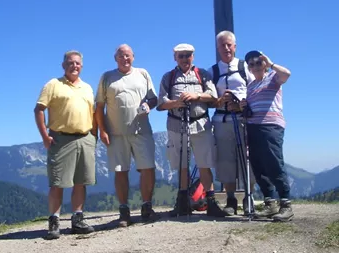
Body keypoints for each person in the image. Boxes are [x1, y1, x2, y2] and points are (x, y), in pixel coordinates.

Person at [157, 43, 226, 217]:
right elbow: (160, 104)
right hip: (176, 125)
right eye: (181, 56)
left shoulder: (202, 74)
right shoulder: (168, 77)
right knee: (182, 165)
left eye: (188, 55)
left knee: (205, 163)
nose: (185, 59)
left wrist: (196, 96)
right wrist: (176, 103)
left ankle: (210, 202)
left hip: (201, 124)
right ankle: (182, 202)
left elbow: (213, 96)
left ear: (193, 57)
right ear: (175, 58)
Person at [34, 50, 97, 240]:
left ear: (82, 66)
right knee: (58, 183)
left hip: (85, 138)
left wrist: (94, 135)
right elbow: (39, 109)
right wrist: (45, 136)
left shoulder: (87, 87)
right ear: (64, 65)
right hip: (60, 139)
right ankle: (54, 222)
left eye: (77, 63)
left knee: (81, 181)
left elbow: (93, 113)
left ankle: (78, 220)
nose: (74, 66)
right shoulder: (53, 84)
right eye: (70, 63)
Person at [95, 44, 158, 227]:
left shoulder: (143, 74)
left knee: (148, 168)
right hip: (116, 133)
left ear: (134, 57)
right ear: (116, 58)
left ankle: (147, 207)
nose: (125, 59)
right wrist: (102, 130)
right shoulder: (107, 77)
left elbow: (153, 98)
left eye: (128, 55)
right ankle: (124, 212)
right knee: (120, 171)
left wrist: (148, 105)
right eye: (121, 56)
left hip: (142, 130)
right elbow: (99, 106)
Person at [239, 50, 293, 222]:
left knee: (274, 162)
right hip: (253, 127)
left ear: (264, 63)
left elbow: (287, 74)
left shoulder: (273, 77)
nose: (255, 66)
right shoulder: (250, 86)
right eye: (251, 64)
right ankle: (270, 203)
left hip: (271, 126)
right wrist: (243, 105)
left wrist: (271, 64)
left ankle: (286, 204)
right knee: (258, 165)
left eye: (258, 62)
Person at [208, 30, 256, 216]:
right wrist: (219, 101)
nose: (226, 48)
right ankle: (230, 199)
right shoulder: (212, 71)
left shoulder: (245, 68)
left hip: (244, 119)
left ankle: (248, 197)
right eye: (222, 45)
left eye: (229, 44)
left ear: (235, 46)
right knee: (225, 160)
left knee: (247, 158)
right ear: (218, 48)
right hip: (222, 120)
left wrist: (242, 104)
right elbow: (209, 99)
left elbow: (255, 91)